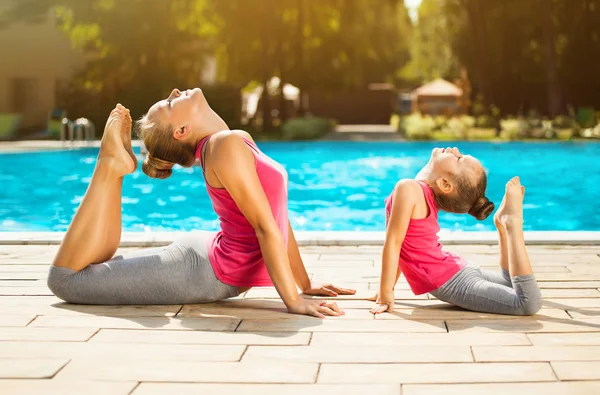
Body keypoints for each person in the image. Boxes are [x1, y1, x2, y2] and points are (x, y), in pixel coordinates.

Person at [48, 88, 355, 319]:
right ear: (182, 131)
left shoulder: (233, 140)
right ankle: (108, 166)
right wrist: (293, 301)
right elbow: (265, 228)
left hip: (204, 259)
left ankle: (114, 168)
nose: (174, 93)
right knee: (66, 281)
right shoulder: (226, 146)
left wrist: (304, 283)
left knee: (88, 273)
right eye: (169, 104)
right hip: (200, 270)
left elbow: (276, 219)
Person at [369, 147, 542, 316]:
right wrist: (386, 288)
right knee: (509, 283)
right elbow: (401, 246)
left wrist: (386, 293)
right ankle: (503, 225)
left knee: (527, 303)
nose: (456, 149)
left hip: (451, 280)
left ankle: (511, 224)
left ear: (444, 183)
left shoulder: (409, 188)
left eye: (459, 159)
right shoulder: (416, 190)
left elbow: (395, 244)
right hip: (455, 270)